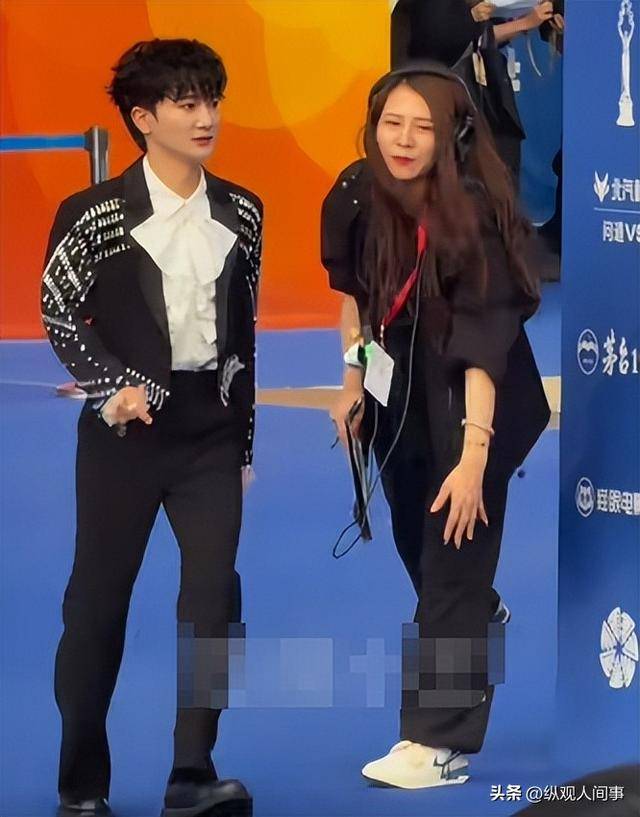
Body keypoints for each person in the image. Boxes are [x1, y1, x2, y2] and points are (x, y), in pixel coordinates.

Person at [41, 38, 261, 817]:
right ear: (142, 117)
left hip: (210, 435)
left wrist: (243, 445)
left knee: (214, 597)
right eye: (187, 103)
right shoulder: (92, 214)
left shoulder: (243, 211)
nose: (206, 118)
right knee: (96, 608)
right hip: (123, 442)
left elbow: (243, 336)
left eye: (213, 101)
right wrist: (111, 385)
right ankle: (81, 785)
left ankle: (192, 772)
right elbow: (57, 309)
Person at [321, 62, 550, 789]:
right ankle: (477, 611)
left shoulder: (473, 213)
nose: (403, 140)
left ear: (451, 135)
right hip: (398, 386)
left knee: (452, 546)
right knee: (415, 541)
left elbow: (485, 341)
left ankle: (437, 744)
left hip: (474, 391)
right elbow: (356, 298)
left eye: (422, 127)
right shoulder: (355, 193)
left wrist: (474, 455)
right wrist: (353, 384)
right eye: (392, 123)